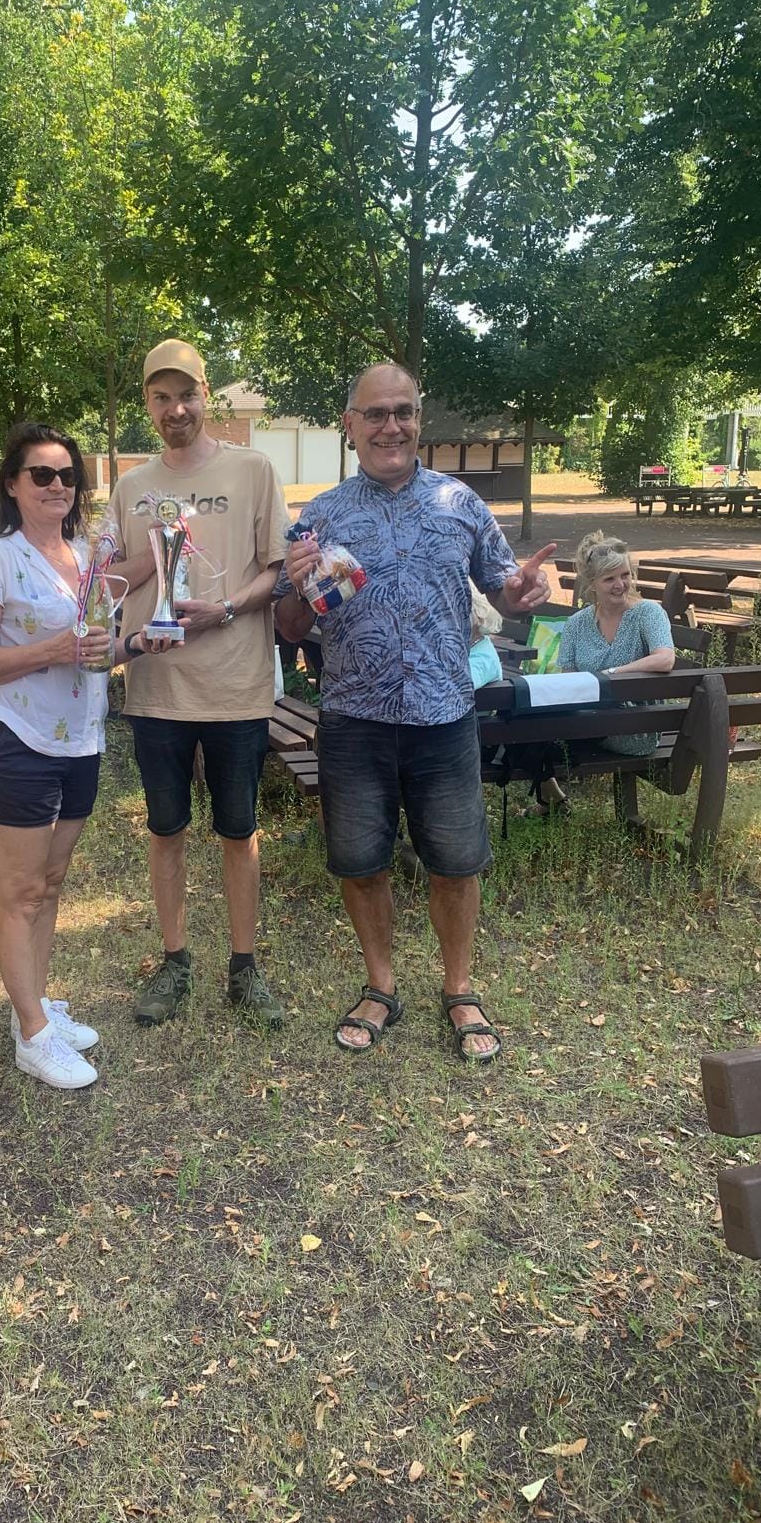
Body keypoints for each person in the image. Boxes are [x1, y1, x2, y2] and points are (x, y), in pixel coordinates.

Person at [275, 363, 554, 1064]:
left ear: (418, 419)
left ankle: (459, 988)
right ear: (349, 425)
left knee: (457, 864)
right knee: (361, 863)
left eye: (402, 411)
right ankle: (380, 985)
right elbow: (284, 627)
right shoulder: (320, 516)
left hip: (443, 718)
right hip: (352, 720)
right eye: (374, 413)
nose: (389, 425)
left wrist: (522, 594)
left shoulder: (461, 502)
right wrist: (296, 586)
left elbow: (504, 588)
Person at [0, 422, 168, 1090]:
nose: (56, 485)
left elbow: (98, 647)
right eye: (40, 474)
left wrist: (141, 644)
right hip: (13, 738)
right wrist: (52, 650)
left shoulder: (86, 560)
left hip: (79, 740)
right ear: (12, 484)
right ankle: (33, 1038)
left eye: (67, 475)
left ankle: (34, 1008)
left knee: (49, 884)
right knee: (19, 892)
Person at [105, 339, 290, 1029]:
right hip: (157, 688)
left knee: (239, 831)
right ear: (147, 404)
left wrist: (226, 609)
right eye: (160, 397)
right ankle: (175, 960)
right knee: (165, 829)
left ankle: (245, 967)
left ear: (206, 396)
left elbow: (278, 570)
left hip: (235, 684)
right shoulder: (131, 486)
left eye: (186, 395)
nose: (175, 409)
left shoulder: (253, 470)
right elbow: (116, 577)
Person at [557, 531, 675, 758]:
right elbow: (567, 678)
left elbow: (665, 658)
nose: (620, 584)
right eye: (609, 579)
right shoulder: (576, 623)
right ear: (592, 583)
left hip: (636, 726)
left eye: (625, 575)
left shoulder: (648, 612)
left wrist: (610, 674)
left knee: (542, 730)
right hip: (588, 716)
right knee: (530, 721)